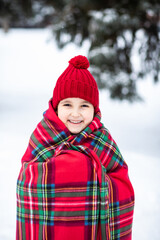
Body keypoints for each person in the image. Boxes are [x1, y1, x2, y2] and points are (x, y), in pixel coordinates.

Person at [16, 55, 134, 240]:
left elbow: (121, 181)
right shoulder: (44, 135)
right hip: (51, 231)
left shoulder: (101, 138)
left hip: (91, 231)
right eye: (68, 104)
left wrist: (85, 172)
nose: (75, 113)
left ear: (94, 109)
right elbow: (28, 180)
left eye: (84, 105)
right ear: (56, 107)